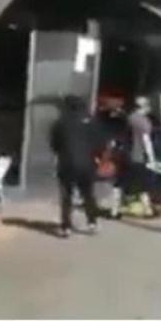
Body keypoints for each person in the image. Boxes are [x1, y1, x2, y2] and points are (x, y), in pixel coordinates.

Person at [50, 96, 103, 237]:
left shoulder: (60, 123)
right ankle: (92, 223)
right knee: (88, 194)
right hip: (87, 163)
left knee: (66, 195)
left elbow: (55, 145)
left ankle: (66, 227)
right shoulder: (91, 122)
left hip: (66, 163)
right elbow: (99, 143)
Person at [127, 96, 156, 215]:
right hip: (140, 156)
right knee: (145, 184)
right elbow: (146, 140)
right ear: (144, 107)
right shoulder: (143, 121)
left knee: (129, 182)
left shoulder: (129, 118)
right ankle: (147, 208)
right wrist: (152, 157)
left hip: (128, 154)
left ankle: (122, 205)